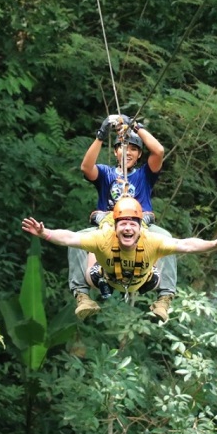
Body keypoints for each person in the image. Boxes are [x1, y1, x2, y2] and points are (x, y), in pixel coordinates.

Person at [27, 198, 217, 322]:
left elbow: (187, 245)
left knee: (168, 243)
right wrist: (45, 233)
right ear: (116, 227)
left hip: (146, 281)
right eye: (123, 224)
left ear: (139, 227)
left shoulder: (152, 240)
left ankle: (164, 299)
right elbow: (69, 238)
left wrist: (213, 244)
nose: (127, 228)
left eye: (132, 225)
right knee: (81, 242)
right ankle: (82, 296)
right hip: (106, 279)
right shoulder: (103, 238)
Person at [67, 114, 178, 321]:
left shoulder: (145, 174)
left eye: (134, 149)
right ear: (116, 151)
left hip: (141, 226)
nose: (128, 152)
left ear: (138, 155)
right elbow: (86, 167)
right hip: (108, 226)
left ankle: (164, 299)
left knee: (167, 239)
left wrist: (136, 126)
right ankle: (82, 296)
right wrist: (101, 135)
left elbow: (159, 151)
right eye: (123, 147)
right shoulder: (106, 174)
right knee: (76, 240)